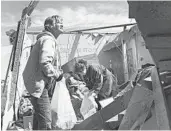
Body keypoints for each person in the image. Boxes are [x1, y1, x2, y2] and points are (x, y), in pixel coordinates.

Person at [23, 15, 63, 130]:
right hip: (40, 85)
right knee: (46, 122)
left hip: (39, 83)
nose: (61, 23)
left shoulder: (46, 39)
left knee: (39, 118)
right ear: (49, 26)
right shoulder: (48, 40)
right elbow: (45, 62)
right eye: (58, 22)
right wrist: (57, 74)